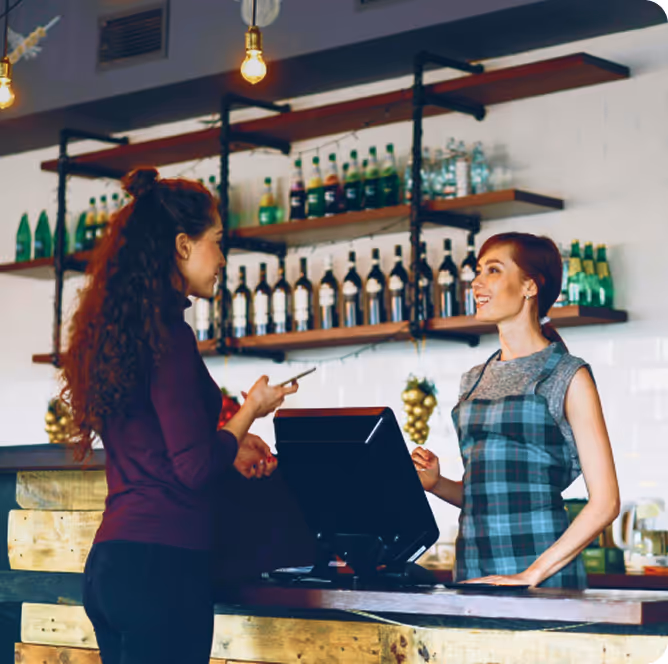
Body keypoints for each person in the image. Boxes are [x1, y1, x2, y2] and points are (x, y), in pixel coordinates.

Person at [60, 167, 298, 664]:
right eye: (216, 241)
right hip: (162, 570)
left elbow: (163, 449)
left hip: (113, 564)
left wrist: (230, 445)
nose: (222, 258)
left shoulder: (123, 334)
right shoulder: (169, 336)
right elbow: (192, 469)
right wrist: (249, 411)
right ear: (183, 246)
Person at [412, 232, 619, 588]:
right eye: (477, 271)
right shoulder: (473, 379)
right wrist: (437, 485)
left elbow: (606, 502)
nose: (477, 282)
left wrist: (531, 574)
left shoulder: (567, 375)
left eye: (493, 270)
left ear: (529, 286)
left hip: (542, 574)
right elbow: (490, 493)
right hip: (475, 568)